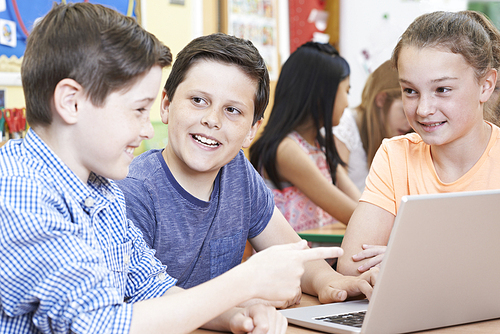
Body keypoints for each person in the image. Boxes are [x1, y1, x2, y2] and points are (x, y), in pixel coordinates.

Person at [0, 3, 349, 333]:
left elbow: (152, 289)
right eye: (138, 110)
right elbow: (97, 325)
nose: (148, 129)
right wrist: (244, 283)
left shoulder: (101, 191)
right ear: (71, 102)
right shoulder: (20, 190)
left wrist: (235, 313)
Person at [116, 35, 376, 305]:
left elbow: (291, 252)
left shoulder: (238, 172)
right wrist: (240, 299)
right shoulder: (134, 190)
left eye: (231, 110)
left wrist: (330, 282)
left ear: (252, 130)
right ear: (167, 105)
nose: (211, 120)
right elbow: (137, 301)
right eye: (198, 100)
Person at [337, 10, 500, 276]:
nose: (423, 109)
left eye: (442, 90)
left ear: (486, 86)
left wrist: (407, 259)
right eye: (410, 91)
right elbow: (352, 265)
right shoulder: (395, 156)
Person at [249, 42, 360, 232]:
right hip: (292, 260)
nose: (347, 103)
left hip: (321, 258)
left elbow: (360, 205)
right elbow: (352, 214)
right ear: (322, 94)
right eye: (346, 91)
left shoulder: (320, 146)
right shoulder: (286, 150)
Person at [333, 60, 412, 192]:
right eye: (404, 112)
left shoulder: (398, 138)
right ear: (381, 99)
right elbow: (339, 192)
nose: (409, 124)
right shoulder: (344, 124)